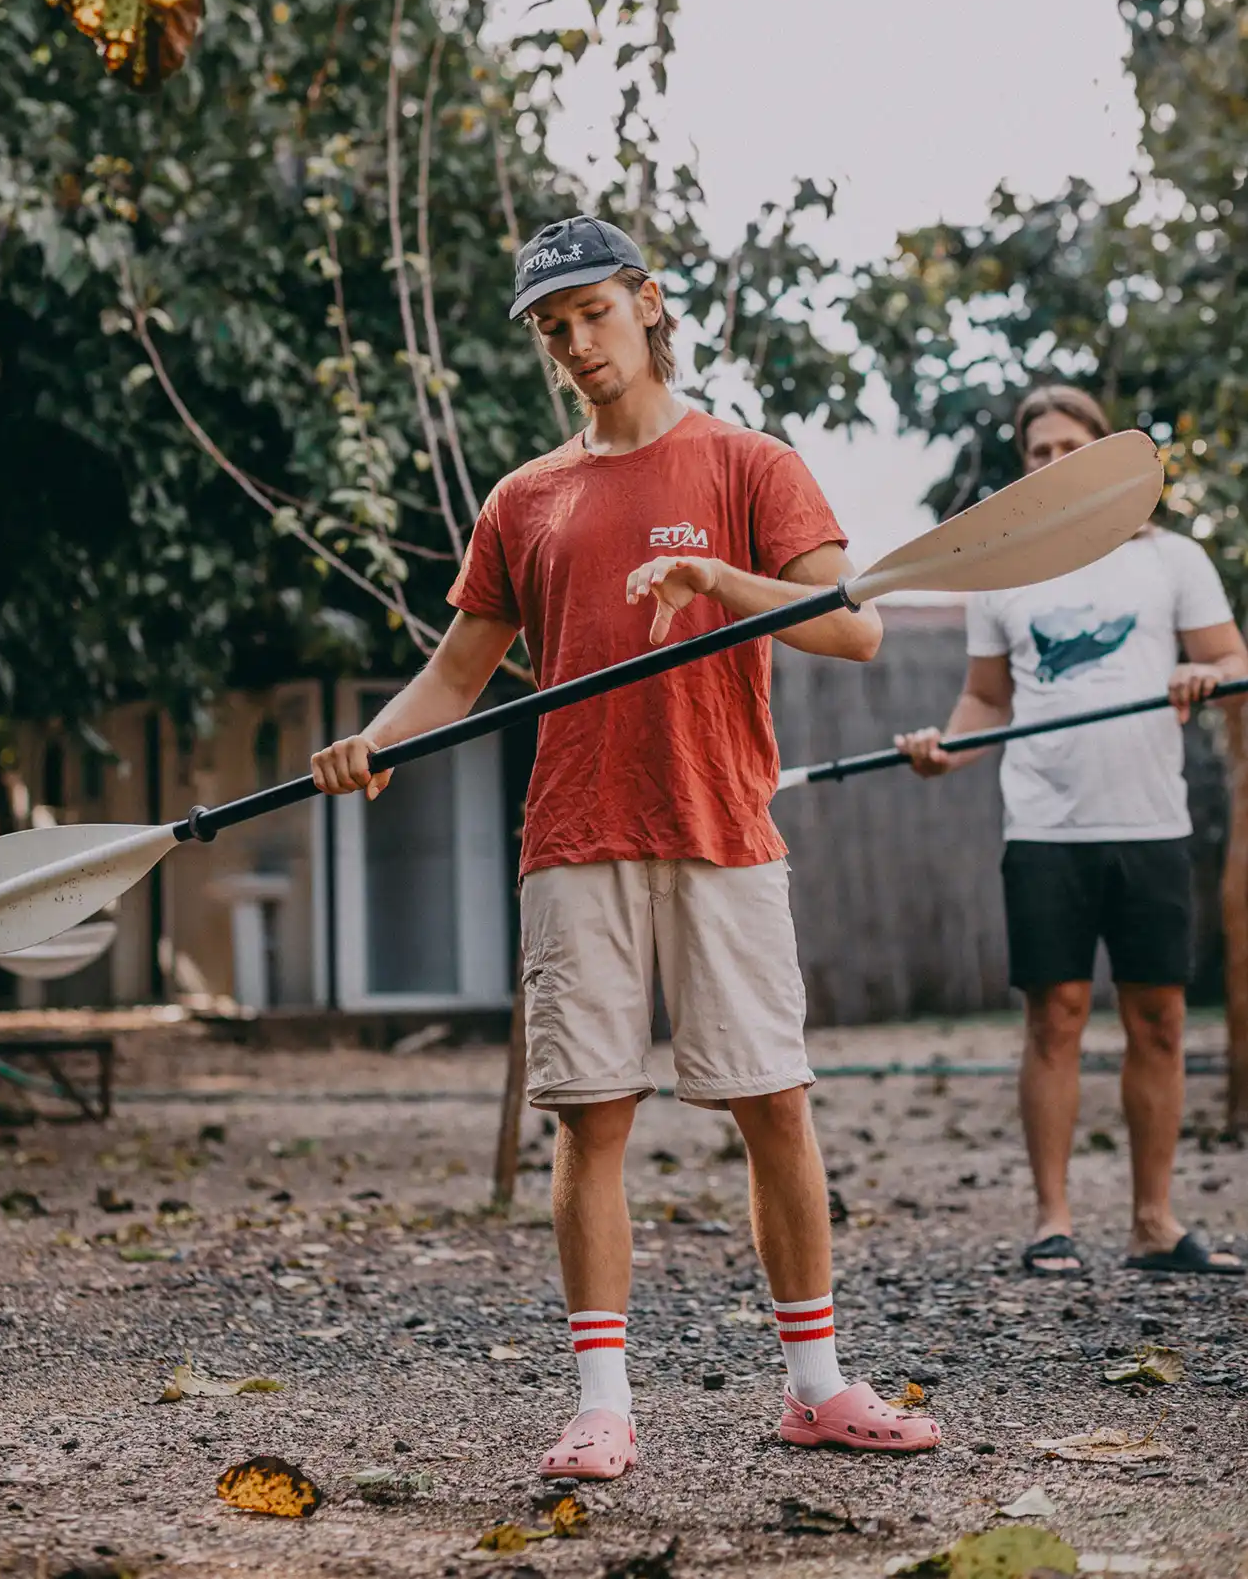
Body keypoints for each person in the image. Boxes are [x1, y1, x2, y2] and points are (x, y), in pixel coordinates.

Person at [312, 215, 941, 1474]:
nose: (577, 344)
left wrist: (720, 581)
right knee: (590, 1118)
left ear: (648, 303)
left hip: (720, 827)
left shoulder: (747, 462)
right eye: (554, 329)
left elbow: (852, 629)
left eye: (594, 313)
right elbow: (454, 673)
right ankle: (602, 1401)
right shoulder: (524, 500)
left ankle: (814, 1384)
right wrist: (366, 744)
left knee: (773, 1104)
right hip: (576, 836)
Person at [896, 384, 1247, 1279]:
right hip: (1046, 827)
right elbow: (985, 701)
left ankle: (1153, 1225)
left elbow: (1231, 656)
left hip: (1151, 824)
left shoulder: (1174, 561)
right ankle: (1052, 1221)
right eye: (1037, 454)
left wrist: (1199, 676)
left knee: (1160, 1022)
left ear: (1105, 461)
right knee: (1054, 1021)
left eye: (1069, 451)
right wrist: (946, 749)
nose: (1052, 465)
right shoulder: (1003, 573)